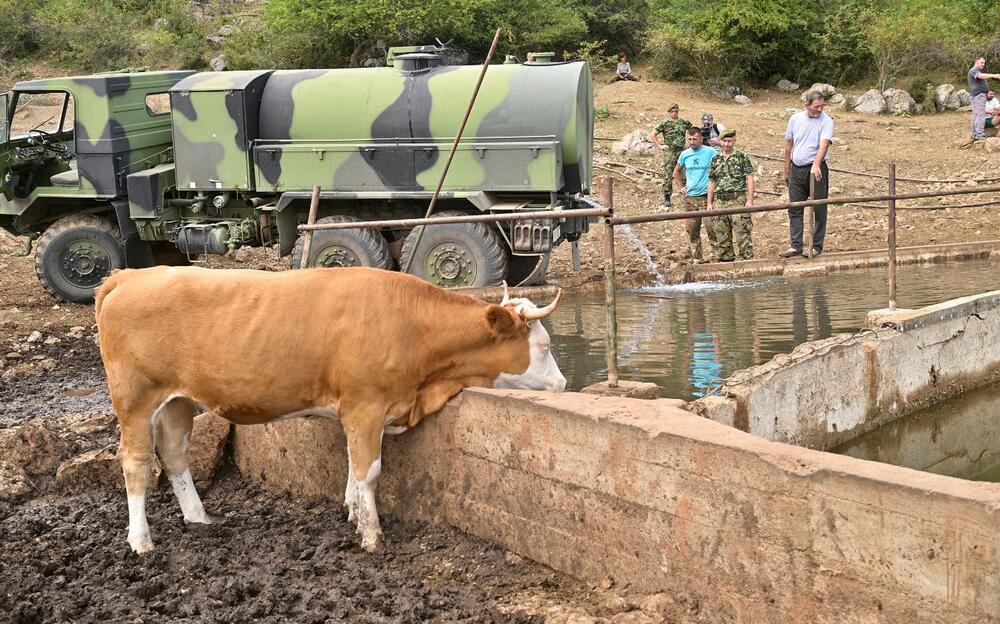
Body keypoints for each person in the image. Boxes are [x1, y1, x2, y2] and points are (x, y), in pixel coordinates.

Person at [780, 90, 834, 259]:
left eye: (822, 106)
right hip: (797, 168)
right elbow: (789, 144)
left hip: (815, 167)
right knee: (795, 207)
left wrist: (816, 165)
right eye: (816, 106)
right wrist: (787, 168)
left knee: (819, 207)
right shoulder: (795, 119)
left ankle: (816, 246)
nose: (820, 109)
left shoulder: (827, 121)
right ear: (807, 105)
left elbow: (824, 145)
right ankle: (796, 245)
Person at [707, 128, 755, 261]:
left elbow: (749, 178)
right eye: (724, 141)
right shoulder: (715, 159)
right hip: (720, 201)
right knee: (722, 236)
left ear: (734, 141)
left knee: (742, 234)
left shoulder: (741, 156)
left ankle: (747, 263)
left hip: (737, 199)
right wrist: (710, 203)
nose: (727, 144)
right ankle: (727, 262)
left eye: (730, 141)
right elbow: (711, 181)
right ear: (720, 141)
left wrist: (750, 201)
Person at [673, 127, 718, 262]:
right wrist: (680, 187)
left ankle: (716, 256)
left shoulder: (710, 152)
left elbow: (719, 167)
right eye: (689, 139)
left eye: (694, 139)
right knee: (692, 230)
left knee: (711, 227)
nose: (692, 142)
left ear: (701, 139)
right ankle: (698, 258)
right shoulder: (685, 154)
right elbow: (676, 172)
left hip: (706, 196)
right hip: (690, 198)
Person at [650, 104, 692, 208]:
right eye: (672, 111)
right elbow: (653, 134)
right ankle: (667, 197)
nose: (674, 113)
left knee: (685, 174)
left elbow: (694, 131)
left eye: (676, 111)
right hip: (670, 152)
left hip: (682, 151)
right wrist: (659, 146)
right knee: (667, 174)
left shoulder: (683, 122)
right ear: (669, 112)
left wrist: (689, 141)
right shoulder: (665, 123)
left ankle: (686, 196)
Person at [968, 57, 1000, 141]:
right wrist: (994, 75)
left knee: (976, 115)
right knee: (980, 115)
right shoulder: (973, 71)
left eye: (984, 63)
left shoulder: (974, 71)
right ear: (976, 62)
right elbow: (980, 76)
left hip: (977, 95)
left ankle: (975, 133)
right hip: (978, 96)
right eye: (981, 62)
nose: (983, 64)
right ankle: (979, 134)